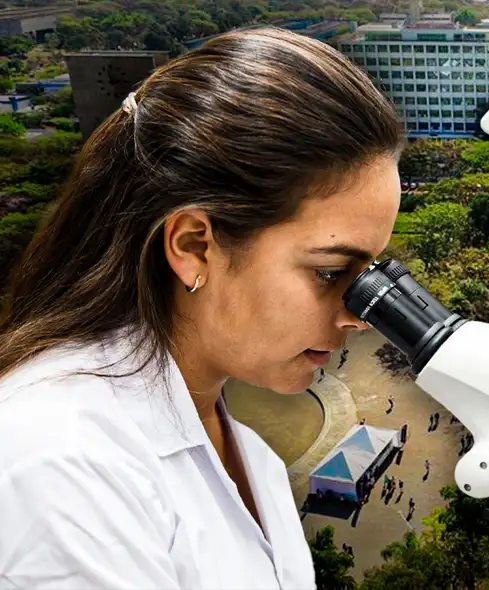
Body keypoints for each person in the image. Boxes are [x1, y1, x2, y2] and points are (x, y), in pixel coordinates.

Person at [0, 27, 404, 588]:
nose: (357, 315)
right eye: (331, 272)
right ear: (193, 246)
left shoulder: (248, 453)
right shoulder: (62, 459)